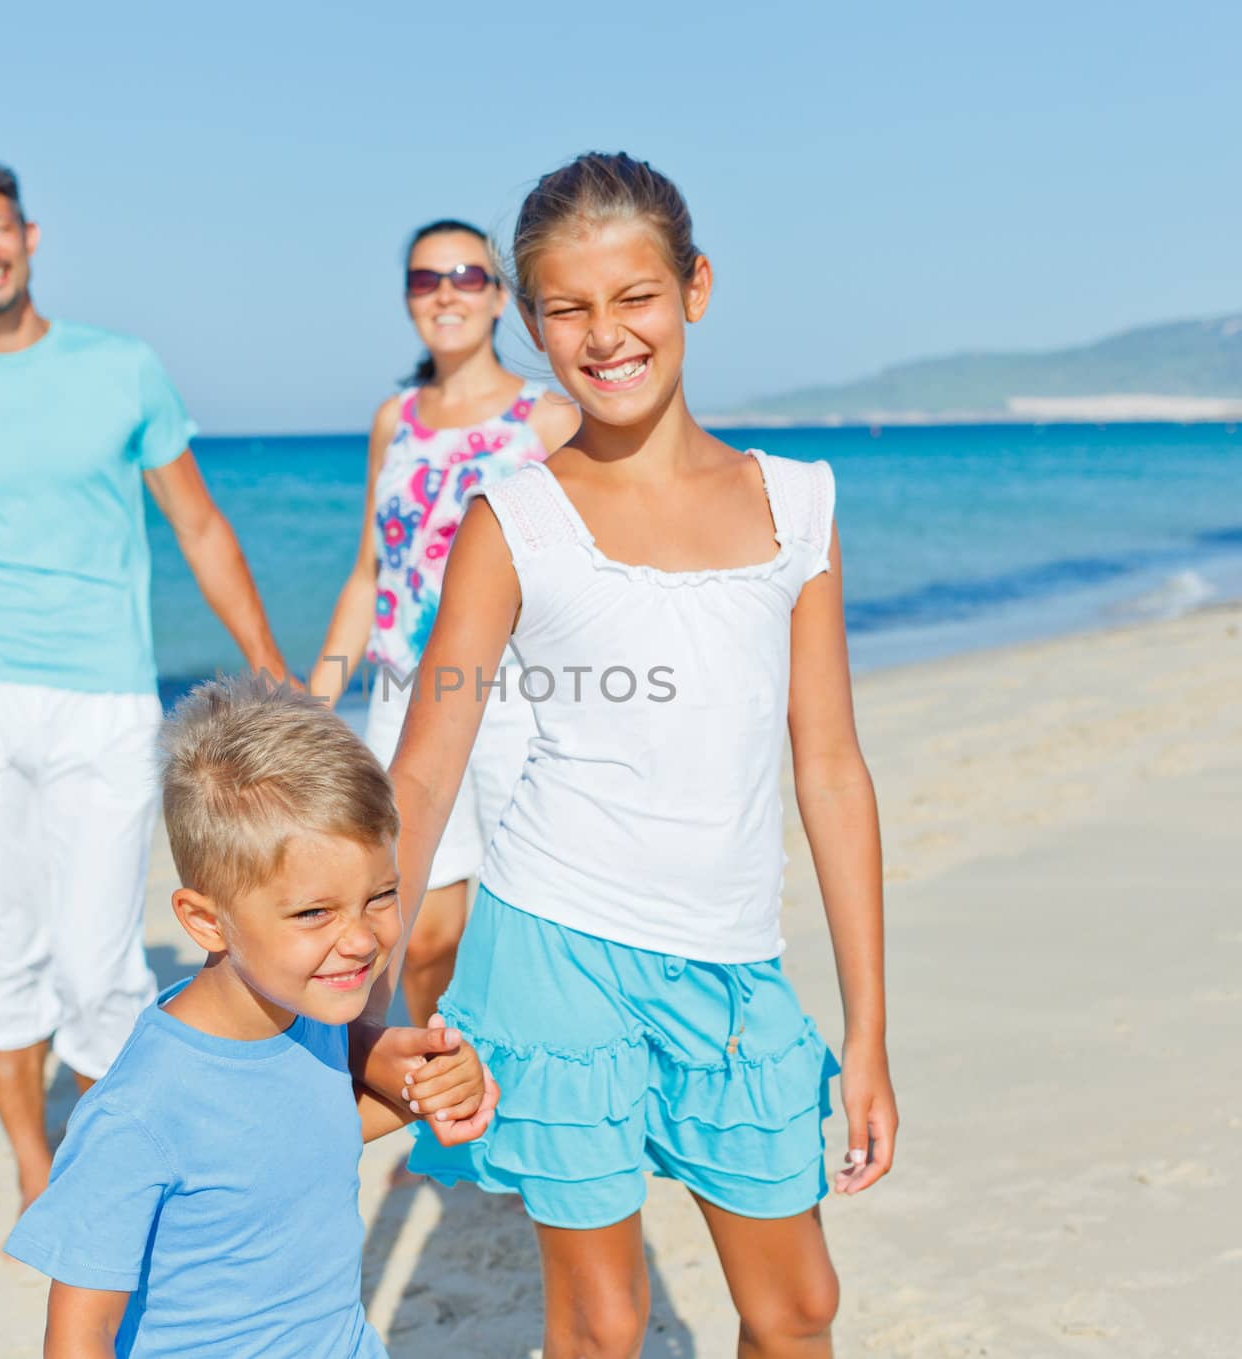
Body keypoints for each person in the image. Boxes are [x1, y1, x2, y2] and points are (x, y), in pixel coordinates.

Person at [376, 153, 899, 1358]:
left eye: (634, 298)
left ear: (694, 289)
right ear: (529, 321)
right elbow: (423, 770)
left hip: (732, 968)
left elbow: (828, 768)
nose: (604, 336)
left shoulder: (797, 505)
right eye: (567, 309)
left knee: (797, 1308)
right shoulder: (513, 520)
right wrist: (349, 991)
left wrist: (866, 1031)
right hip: (555, 949)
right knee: (604, 1325)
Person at [0, 158, 294, 1210]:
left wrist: (267, 664)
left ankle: (97, 1154)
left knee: (98, 965)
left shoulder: (123, 368)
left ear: (30, 235)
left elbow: (197, 524)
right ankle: (33, 1165)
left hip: (103, 697)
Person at [4, 674, 496, 1358]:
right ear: (207, 921)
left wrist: (433, 1088)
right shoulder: (139, 1114)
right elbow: (79, 1335)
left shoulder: (304, 1015)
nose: (359, 938)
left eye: (381, 895)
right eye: (314, 912)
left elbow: (301, 1138)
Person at [310, 219, 579, 1024]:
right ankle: (438, 1098)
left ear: (501, 297)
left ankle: (510, 1105)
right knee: (419, 934)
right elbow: (370, 577)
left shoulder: (550, 421)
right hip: (403, 697)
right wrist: (315, 707)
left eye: (467, 275)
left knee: (527, 923)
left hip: (514, 698)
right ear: (408, 300)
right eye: (427, 280)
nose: (447, 293)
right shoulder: (394, 419)